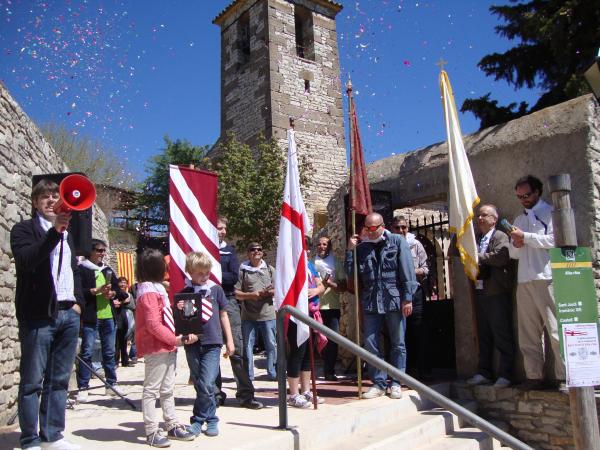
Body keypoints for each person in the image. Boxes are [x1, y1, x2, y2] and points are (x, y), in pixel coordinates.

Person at [11, 178, 84, 450]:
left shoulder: (68, 234)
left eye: (56, 196)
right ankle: (29, 438)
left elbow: (73, 270)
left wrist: (79, 303)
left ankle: (52, 435)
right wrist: (54, 231)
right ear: (35, 202)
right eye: (45, 197)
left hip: (68, 314)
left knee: (59, 380)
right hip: (38, 315)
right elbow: (29, 260)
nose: (52, 200)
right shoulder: (24, 230)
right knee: (32, 381)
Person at [345, 212, 418, 399]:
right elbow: (351, 275)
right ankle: (378, 382)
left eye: (373, 228)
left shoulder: (396, 241)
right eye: (367, 228)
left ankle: (396, 381)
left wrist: (407, 297)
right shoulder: (362, 248)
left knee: (398, 343)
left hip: (394, 298)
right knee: (370, 342)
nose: (369, 232)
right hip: (371, 300)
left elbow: (407, 270)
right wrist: (350, 251)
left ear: (382, 226)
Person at [509, 175, 565, 389]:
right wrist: (517, 243)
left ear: (537, 192)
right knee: (528, 333)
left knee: (555, 329)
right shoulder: (518, 219)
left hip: (547, 277)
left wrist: (528, 237)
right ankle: (533, 377)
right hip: (524, 279)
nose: (523, 199)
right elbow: (514, 254)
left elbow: (556, 240)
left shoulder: (550, 212)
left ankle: (563, 376)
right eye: (519, 197)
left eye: (527, 195)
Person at [135, 249, 195, 447]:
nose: (167, 266)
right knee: (152, 390)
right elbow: (152, 324)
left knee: (168, 389)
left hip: (166, 346)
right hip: (157, 347)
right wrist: (174, 340)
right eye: (163, 263)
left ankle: (171, 424)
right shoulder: (148, 292)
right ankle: (151, 431)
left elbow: (162, 315)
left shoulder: (157, 289)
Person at [176, 251, 235, 437]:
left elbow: (224, 315)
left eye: (206, 272)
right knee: (199, 383)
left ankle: (199, 419)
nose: (204, 276)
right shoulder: (185, 293)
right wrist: (182, 318)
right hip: (192, 344)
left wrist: (229, 341)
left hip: (212, 342)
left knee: (208, 382)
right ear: (190, 272)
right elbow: (185, 320)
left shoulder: (215, 290)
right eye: (199, 273)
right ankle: (210, 418)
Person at [214, 217, 263, 409]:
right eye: (219, 228)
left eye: (224, 228)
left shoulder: (229, 251)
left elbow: (232, 277)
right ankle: (215, 394)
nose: (222, 232)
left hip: (228, 301)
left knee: (237, 349)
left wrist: (210, 274)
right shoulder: (204, 247)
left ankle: (245, 394)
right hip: (209, 303)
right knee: (212, 349)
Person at [466, 204, 515, 388]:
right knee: (484, 334)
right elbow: (458, 251)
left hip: (496, 292)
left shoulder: (500, 236)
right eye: (478, 216)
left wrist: (477, 256)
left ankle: (506, 374)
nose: (480, 219)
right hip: (480, 292)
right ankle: (484, 371)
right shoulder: (475, 239)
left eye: (484, 215)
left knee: (501, 333)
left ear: (494, 219)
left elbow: (501, 257)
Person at [76, 239, 128, 403]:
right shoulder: (82, 269)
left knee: (109, 352)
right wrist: (95, 291)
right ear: (90, 252)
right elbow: (78, 292)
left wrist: (112, 294)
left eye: (103, 251)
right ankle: (83, 387)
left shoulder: (107, 270)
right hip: (91, 317)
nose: (102, 254)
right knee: (86, 352)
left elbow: (121, 293)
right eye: (99, 250)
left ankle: (111, 384)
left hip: (108, 317)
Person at [286, 250, 326, 408]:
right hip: (296, 315)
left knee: (308, 354)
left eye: (308, 248)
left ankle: (306, 390)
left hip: (311, 312)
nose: (307, 251)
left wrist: (316, 290)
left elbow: (321, 285)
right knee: (297, 352)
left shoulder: (310, 265)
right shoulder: (290, 267)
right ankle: (294, 393)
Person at [391, 216, 429, 379]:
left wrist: (409, 272)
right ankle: (403, 371)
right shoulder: (389, 245)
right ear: (392, 229)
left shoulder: (416, 244)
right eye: (398, 227)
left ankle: (422, 370)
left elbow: (426, 268)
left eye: (404, 227)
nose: (401, 230)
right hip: (397, 294)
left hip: (415, 292)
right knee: (400, 333)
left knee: (418, 330)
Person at [234, 242, 277, 381]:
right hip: (248, 315)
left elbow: (279, 290)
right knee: (247, 346)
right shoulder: (243, 270)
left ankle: (272, 372)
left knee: (271, 344)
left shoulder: (270, 269)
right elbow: (236, 293)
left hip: (268, 314)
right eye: (253, 249)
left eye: (259, 249)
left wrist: (268, 292)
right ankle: (249, 375)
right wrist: (252, 295)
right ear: (248, 253)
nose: (256, 251)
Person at [312, 236, 347, 381]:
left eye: (325, 244)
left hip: (331, 307)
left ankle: (329, 371)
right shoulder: (311, 263)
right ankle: (309, 371)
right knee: (312, 339)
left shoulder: (336, 263)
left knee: (332, 340)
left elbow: (343, 287)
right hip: (313, 306)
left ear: (329, 247)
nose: (321, 247)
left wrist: (329, 283)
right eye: (319, 244)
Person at [114, 277, 132, 367]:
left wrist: (120, 303)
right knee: (116, 342)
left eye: (124, 283)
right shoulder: (115, 293)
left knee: (124, 340)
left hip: (124, 318)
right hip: (116, 317)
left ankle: (125, 361)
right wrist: (122, 302)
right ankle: (116, 362)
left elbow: (130, 303)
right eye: (121, 282)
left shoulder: (127, 294)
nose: (122, 284)